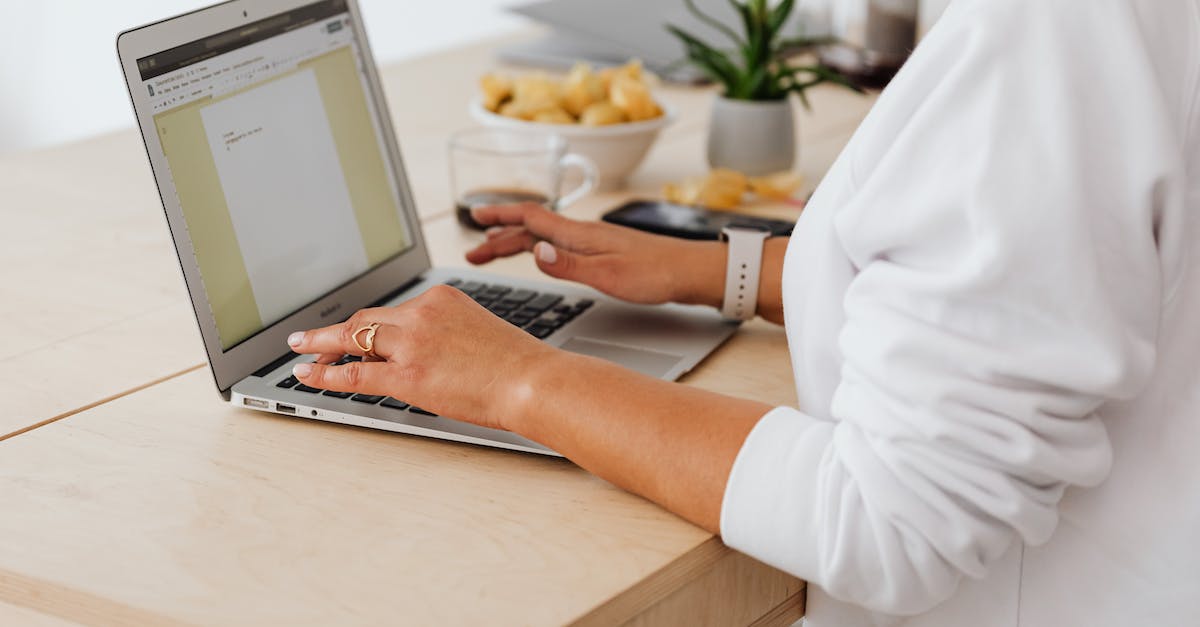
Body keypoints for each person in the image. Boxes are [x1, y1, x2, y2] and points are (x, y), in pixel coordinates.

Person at [285, 0, 1199, 624]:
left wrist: (521, 377)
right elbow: (1067, 275)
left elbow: (895, 518)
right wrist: (735, 270)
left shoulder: (1058, 32)